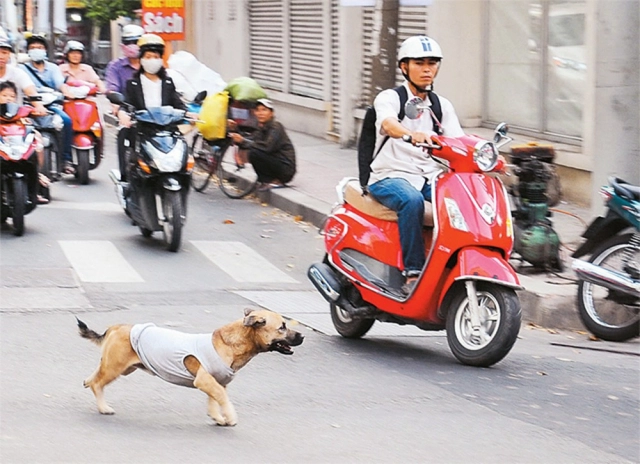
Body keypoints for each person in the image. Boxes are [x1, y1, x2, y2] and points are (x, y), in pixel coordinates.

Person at [367, 35, 464, 294]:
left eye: (432, 63)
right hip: (389, 175)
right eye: (419, 63)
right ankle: (413, 273)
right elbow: (388, 123)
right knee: (412, 201)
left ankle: (453, 266)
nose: (426, 69)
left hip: (429, 175)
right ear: (404, 67)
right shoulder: (390, 98)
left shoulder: (442, 106)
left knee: (462, 201)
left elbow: (459, 141)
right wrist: (409, 134)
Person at [117, 34, 192, 180]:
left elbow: (178, 104)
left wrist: (189, 114)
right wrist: (123, 114)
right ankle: (125, 180)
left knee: (183, 151)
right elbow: (126, 104)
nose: (152, 60)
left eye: (156, 56)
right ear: (141, 59)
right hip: (142, 128)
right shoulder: (132, 83)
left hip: (165, 130)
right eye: (149, 56)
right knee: (123, 135)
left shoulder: (168, 82)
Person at [20, 33, 75, 174]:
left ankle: (66, 159)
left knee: (66, 121)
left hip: (51, 105)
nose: (36, 50)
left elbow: (60, 84)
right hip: (28, 106)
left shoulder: (53, 68)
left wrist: (67, 91)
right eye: (33, 47)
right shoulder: (21, 69)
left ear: (45, 50)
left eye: (39, 47)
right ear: (28, 51)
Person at [228, 98, 296, 192]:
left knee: (255, 152)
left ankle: (274, 181)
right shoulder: (261, 128)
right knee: (253, 151)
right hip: (275, 163)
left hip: (285, 168)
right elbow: (249, 141)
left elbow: (267, 147)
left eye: (264, 110)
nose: (260, 113)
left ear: (271, 113)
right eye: (258, 110)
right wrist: (235, 130)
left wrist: (243, 140)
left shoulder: (276, 127)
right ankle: (266, 180)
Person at [105, 24, 144, 183]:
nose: (133, 46)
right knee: (124, 133)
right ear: (123, 46)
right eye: (129, 42)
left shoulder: (152, 64)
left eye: (136, 41)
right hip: (127, 111)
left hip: (152, 112)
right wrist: (118, 107)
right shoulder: (116, 66)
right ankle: (125, 180)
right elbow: (112, 88)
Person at [0, 80, 49, 204]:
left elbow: (33, 110)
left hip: (16, 145)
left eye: (12, 96)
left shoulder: (20, 111)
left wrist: (39, 110)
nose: (8, 99)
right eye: (4, 95)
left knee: (37, 138)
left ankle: (37, 174)